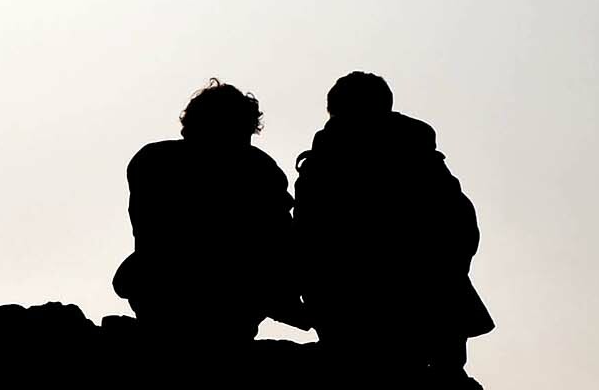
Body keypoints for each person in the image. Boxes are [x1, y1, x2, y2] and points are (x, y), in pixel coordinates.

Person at [293, 72, 493, 368]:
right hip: (426, 307)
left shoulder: (323, 168)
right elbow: (462, 225)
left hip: (359, 311)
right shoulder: (421, 161)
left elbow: (306, 240)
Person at [114, 79, 304, 341]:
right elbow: (280, 237)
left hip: (158, 297)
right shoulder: (256, 169)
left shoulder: (151, 161)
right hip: (227, 302)